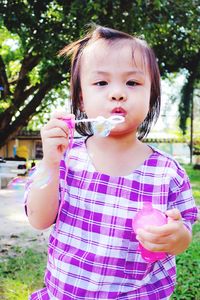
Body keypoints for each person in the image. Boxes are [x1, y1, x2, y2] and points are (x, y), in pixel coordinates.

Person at [25, 25, 198, 300]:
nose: (117, 93)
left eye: (133, 83)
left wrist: (176, 237)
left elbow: (184, 231)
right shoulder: (67, 158)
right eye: (101, 83)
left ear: (151, 95)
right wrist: (50, 162)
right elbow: (39, 219)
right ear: (81, 99)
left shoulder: (167, 172)